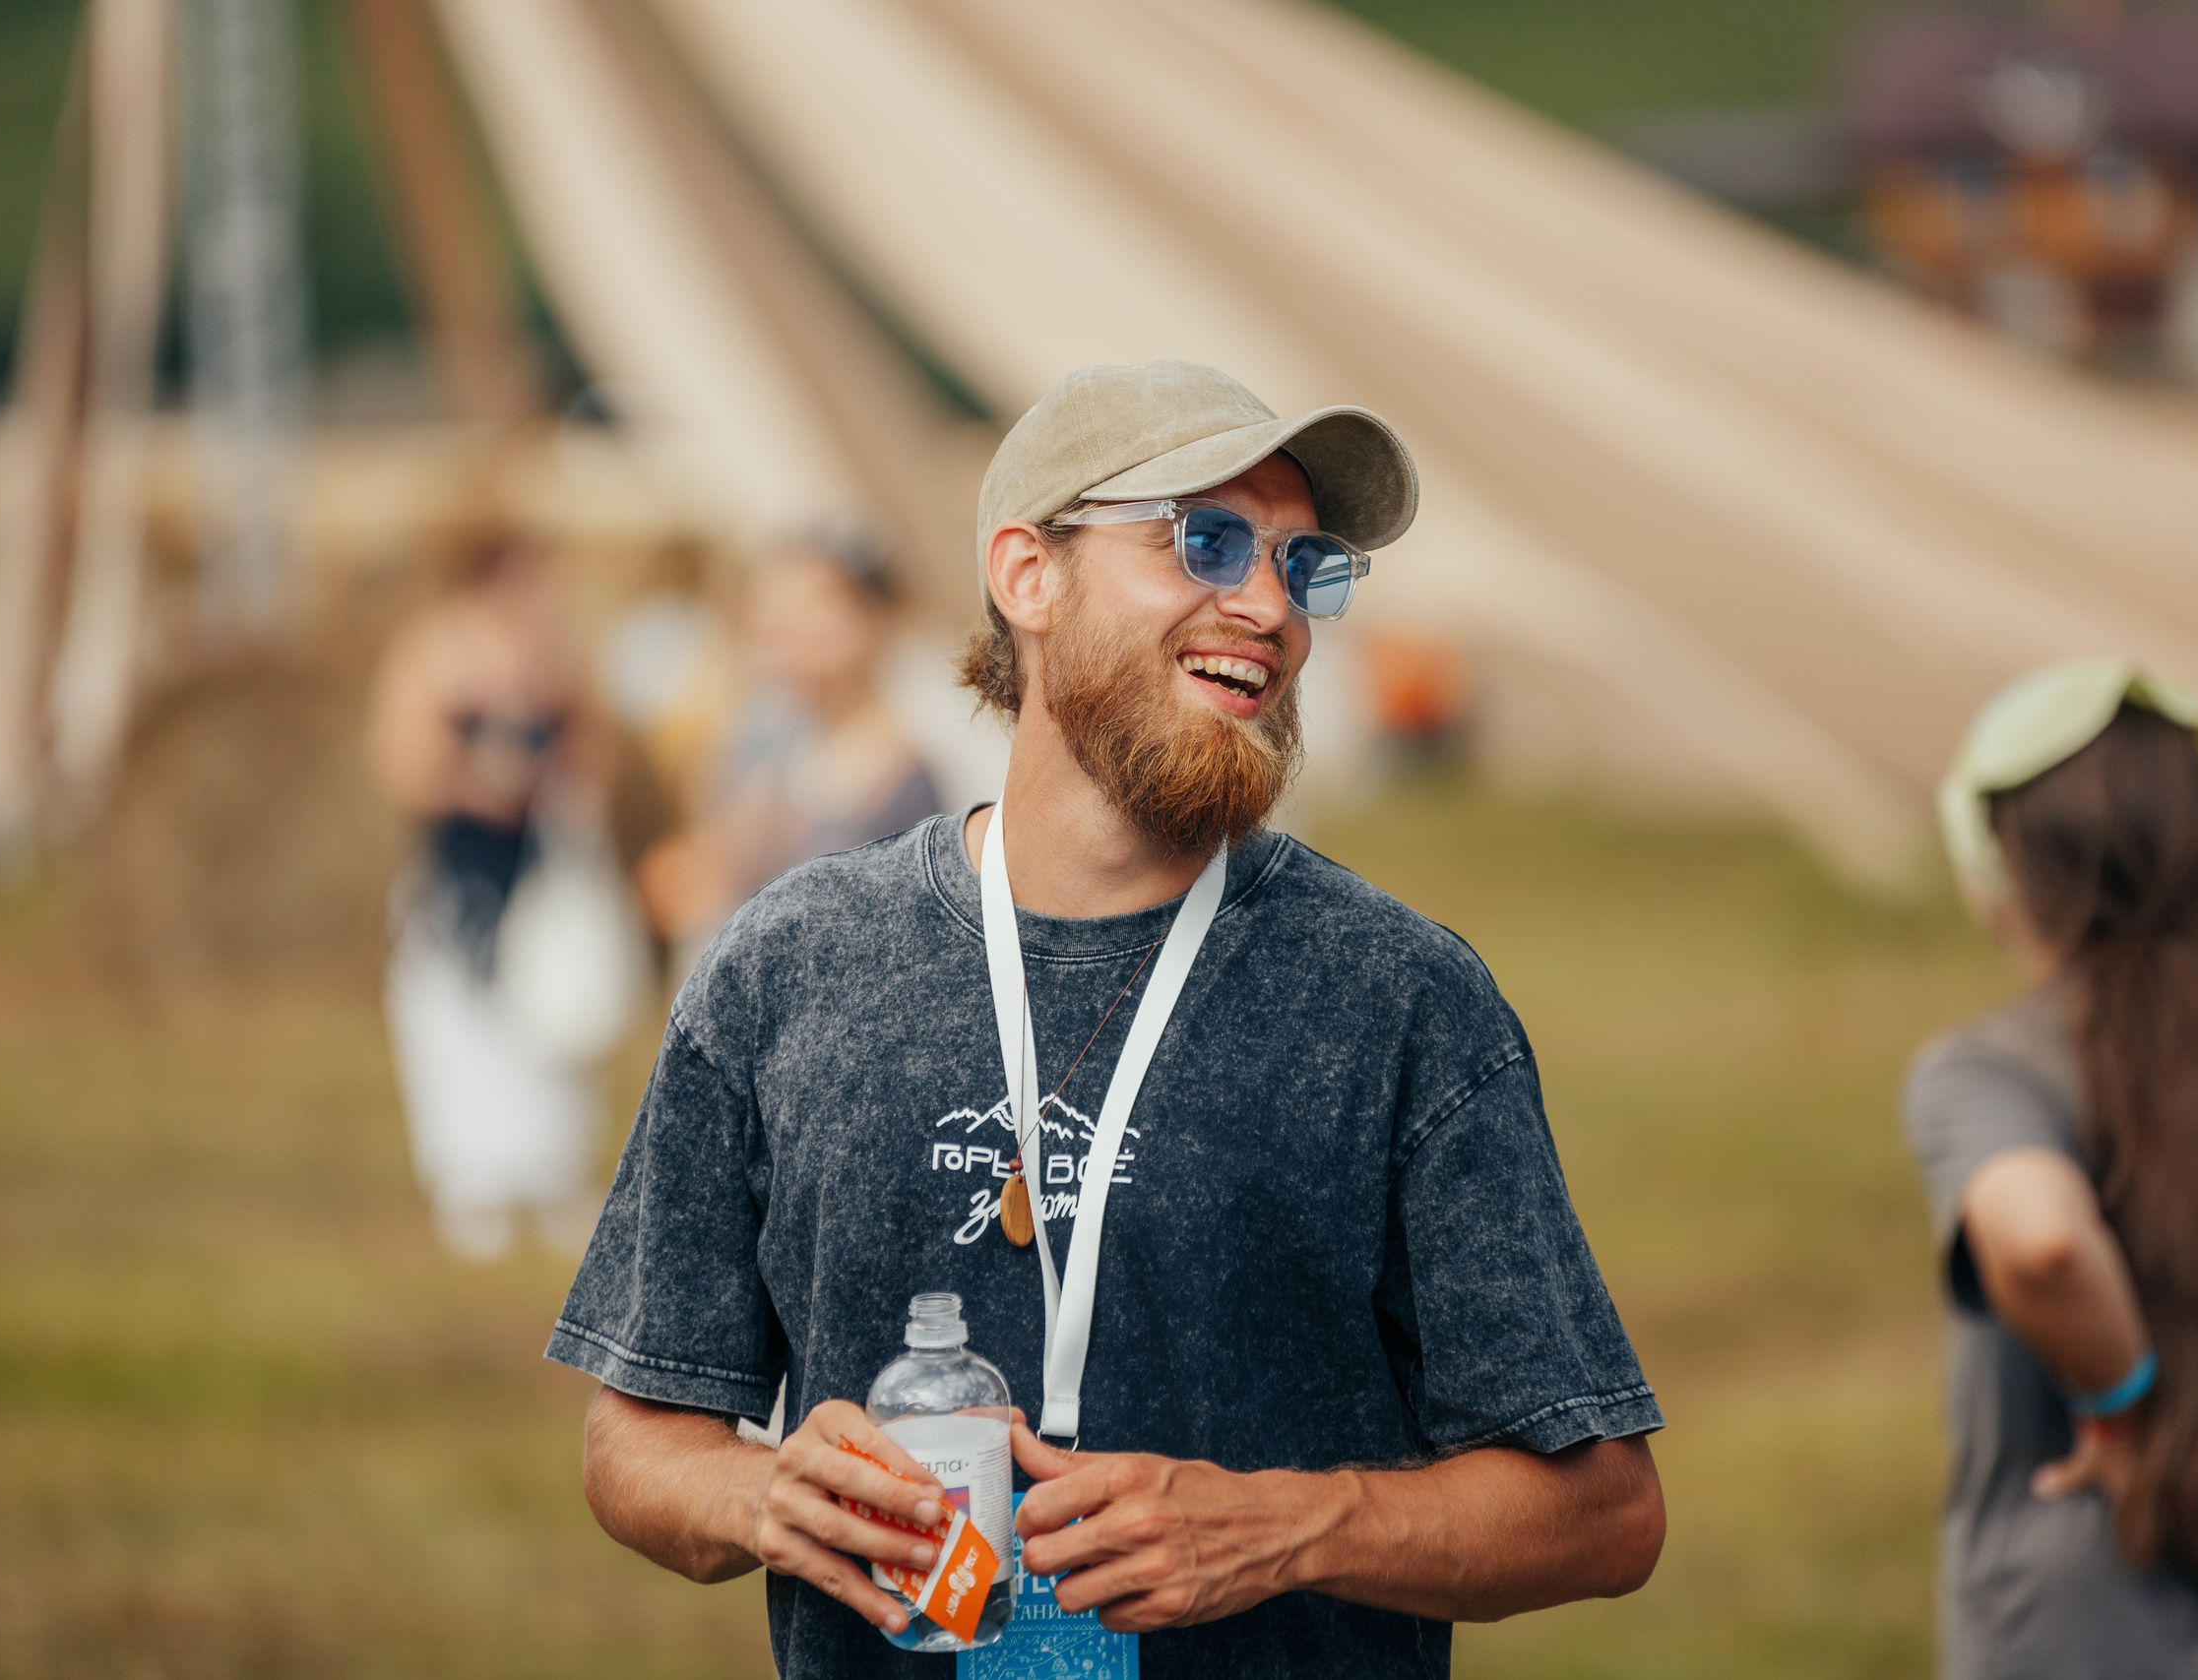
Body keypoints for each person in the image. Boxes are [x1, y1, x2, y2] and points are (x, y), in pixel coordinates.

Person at [546, 361, 1665, 1678]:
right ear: (1030, 574)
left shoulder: (1400, 999)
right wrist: (761, 1495)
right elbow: (633, 1440)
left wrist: (1292, 1525)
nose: (1268, 605)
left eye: (1303, 563)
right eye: (1205, 538)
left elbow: (1604, 1508)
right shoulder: (787, 967)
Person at [1905, 660, 2198, 1679]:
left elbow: (2043, 1241)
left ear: (1996, 868)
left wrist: (2122, 1409)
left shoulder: (1992, 1067)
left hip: (2063, 1637)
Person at [366, 534, 618, 1261]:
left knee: (552, 1016)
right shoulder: (435, 651)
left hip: (540, 869)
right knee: (455, 1018)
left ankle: (550, 1169)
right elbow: (401, 761)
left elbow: (596, 753)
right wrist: (478, 782)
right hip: (459, 866)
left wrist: (557, 787)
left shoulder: (558, 661)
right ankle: (471, 1177)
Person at [633, 525, 941, 964]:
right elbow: (698, 874)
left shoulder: (909, 776)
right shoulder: (761, 737)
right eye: (773, 605)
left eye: (813, 602)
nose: (785, 624)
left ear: (876, 616)